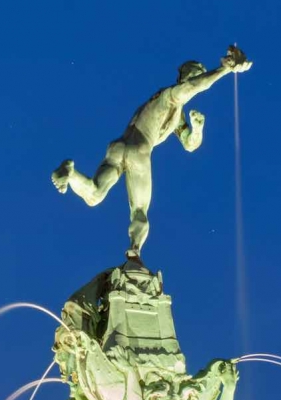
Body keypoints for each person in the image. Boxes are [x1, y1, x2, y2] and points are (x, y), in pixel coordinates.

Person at [52, 45, 253, 258]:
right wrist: (226, 69)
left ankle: (70, 173)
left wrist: (198, 128)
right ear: (185, 78)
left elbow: (189, 145)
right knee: (139, 211)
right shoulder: (170, 95)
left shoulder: (175, 113)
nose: (197, 81)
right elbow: (196, 87)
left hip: (118, 147)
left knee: (94, 195)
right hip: (139, 150)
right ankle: (135, 251)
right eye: (196, 76)